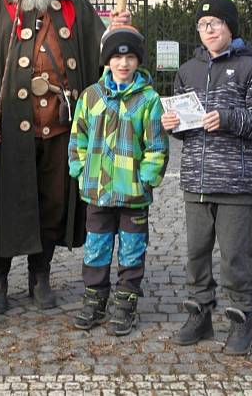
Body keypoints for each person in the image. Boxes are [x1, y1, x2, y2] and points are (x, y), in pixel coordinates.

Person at [0, 0, 129, 314]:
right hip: (7, 130)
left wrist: (118, 31)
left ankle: (41, 274)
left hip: (59, 128)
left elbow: (103, 51)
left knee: (51, 204)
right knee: (3, 203)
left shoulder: (71, 3)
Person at [161, 0, 252, 356]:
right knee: (196, 253)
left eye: (214, 23)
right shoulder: (187, 71)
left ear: (230, 26)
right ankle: (200, 314)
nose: (207, 30)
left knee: (234, 256)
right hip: (195, 180)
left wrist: (228, 119)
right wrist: (173, 125)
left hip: (234, 182)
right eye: (202, 25)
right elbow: (184, 128)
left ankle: (243, 320)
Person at [68, 26, 169, 336]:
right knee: (96, 247)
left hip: (133, 192)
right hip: (98, 190)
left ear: (138, 61)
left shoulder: (148, 100)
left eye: (129, 58)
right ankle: (95, 298)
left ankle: (125, 301)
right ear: (107, 61)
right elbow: (78, 137)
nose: (123, 64)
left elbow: (156, 145)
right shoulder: (91, 96)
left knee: (131, 248)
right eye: (116, 57)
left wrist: (146, 178)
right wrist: (81, 168)